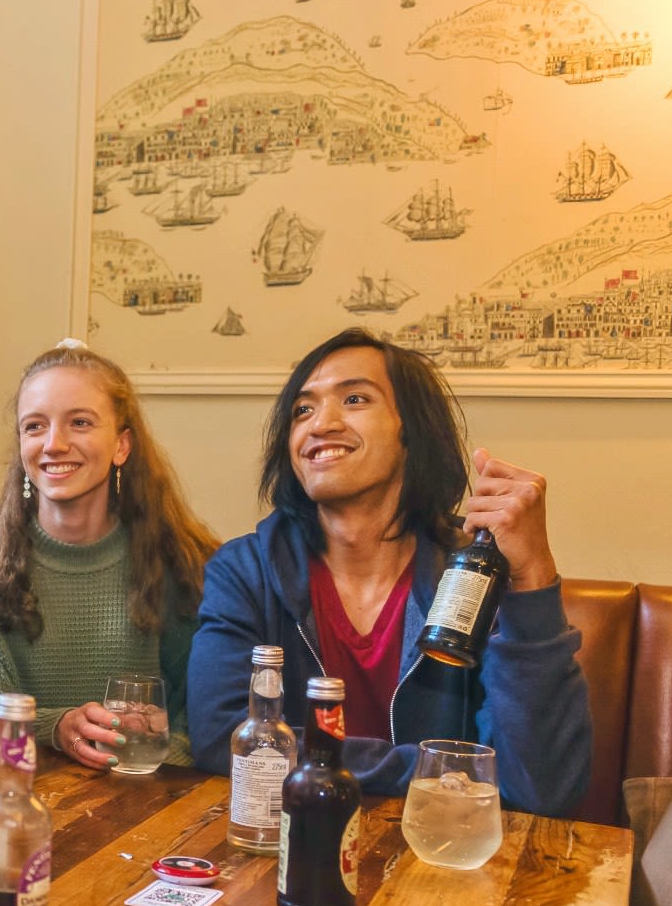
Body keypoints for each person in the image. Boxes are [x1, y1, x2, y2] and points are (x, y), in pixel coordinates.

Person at [187, 328, 591, 815]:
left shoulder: (473, 576)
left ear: (411, 430)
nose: (319, 425)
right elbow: (223, 738)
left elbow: (542, 786)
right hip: (291, 845)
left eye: (354, 398)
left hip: (442, 857)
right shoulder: (245, 571)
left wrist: (533, 577)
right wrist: (439, 773)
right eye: (303, 409)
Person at [0, 341, 219, 769]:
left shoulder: (177, 560)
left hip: (143, 803)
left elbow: (200, 710)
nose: (54, 444)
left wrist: (150, 759)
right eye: (34, 426)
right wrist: (58, 726)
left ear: (122, 446)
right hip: (18, 797)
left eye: (80, 423)